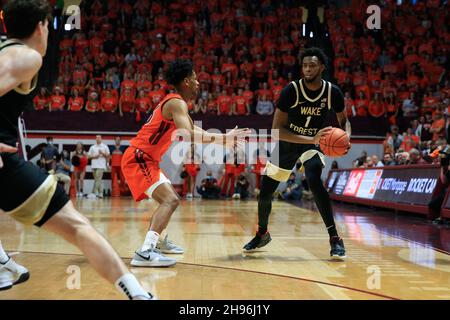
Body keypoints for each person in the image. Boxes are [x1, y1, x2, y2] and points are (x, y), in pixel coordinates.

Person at [0, 0, 152, 299]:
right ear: (41, 27)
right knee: (79, 228)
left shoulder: (7, 50)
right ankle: (140, 295)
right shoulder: (27, 57)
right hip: (6, 165)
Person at [121, 59, 249, 267]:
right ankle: (145, 252)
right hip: (139, 158)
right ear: (187, 81)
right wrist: (222, 138)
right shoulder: (176, 102)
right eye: (196, 79)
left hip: (147, 159)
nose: (198, 83)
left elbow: (196, 131)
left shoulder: (178, 104)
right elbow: (187, 134)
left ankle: (159, 242)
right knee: (170, 200)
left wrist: (224, 138)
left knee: (171, 198)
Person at [243, 48, 351, 259]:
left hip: (313, 144)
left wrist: (346, 136)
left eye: (312, 65)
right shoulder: (291, 90)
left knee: (314, 180)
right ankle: (262, 233)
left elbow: (344, 120)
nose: (308, 69)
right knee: (265, 193)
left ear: (322, 67)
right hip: (288, 143)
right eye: (305, 65)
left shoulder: (332, 92)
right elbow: (276, 131)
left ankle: (335, 238)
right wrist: (310, 138)